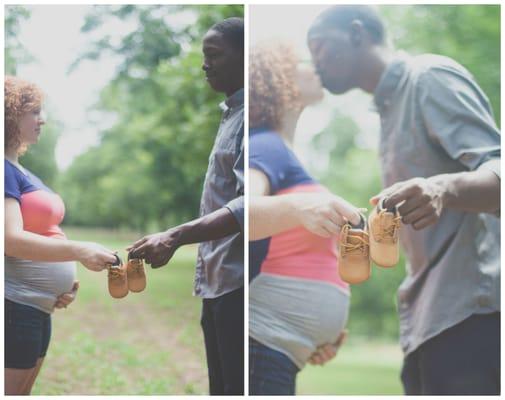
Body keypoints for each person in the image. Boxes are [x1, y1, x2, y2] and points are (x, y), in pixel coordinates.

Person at [308, 5, 500, 395]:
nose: (315, 63)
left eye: (320, 47)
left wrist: (441, 189)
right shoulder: (388, 109)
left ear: (357, 33)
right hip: (428, 320)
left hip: (472, 316)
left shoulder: (427, 77)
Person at [128, 17, 244, 395]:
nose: (205, 64)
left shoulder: (254, 118)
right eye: (203, 56)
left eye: (215, 55)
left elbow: (249, 204)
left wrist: (174, 236)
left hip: (241, 287)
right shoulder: (230, 116)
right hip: (218, 283)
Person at [248, 41, 361, 395]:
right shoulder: (265, 146)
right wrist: (301, 209)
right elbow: (239, 213)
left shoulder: (285, 153)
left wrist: (314, 335)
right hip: (261, 342)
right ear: (277, 78)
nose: (316, 66)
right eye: (302, 62)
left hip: (281, 349)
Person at [4, 76, 118, 395]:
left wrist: (63, 282)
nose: (42, 119)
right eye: (34, 112)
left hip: (37, 306)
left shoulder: (21, 170)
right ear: (10, 114)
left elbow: (43, 230)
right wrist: (79, 251)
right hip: (14, 305)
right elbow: (9, 240)